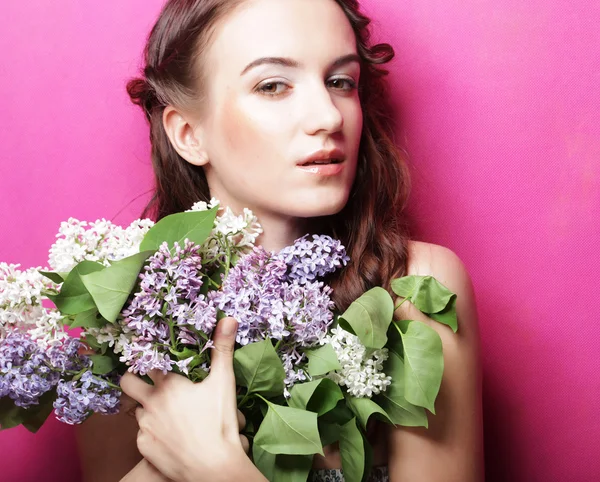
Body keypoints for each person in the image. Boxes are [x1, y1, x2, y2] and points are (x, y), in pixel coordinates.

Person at [75, 0, 484, 480]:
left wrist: (218, 469)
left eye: (340, 82)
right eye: (273, 86)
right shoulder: (124, 326)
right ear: (188, 132)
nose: (328, 117)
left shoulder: (414, 289)